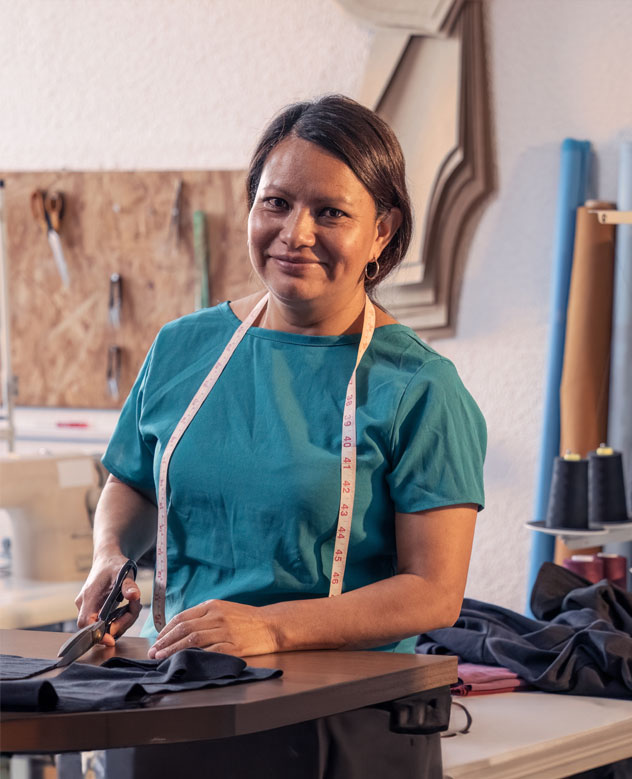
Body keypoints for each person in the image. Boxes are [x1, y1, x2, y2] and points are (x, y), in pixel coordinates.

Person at [71, 95, 486, 775]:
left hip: (337, 722)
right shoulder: (183, 348)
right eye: (276, 203)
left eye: (330, 212)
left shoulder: (418, 385)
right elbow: (135, 480)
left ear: (381, 232)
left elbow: (433, 588)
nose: (295, 233)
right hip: (174, 698)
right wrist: (110, 554)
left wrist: (268, 626)